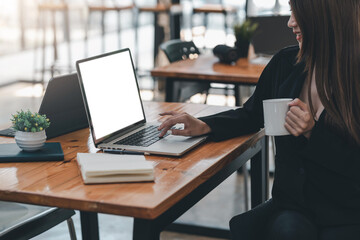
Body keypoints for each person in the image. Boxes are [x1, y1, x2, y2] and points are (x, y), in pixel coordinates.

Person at [157, 0, 360, 239]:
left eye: (298, 14)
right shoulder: (285, 64)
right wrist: (205, 124)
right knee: (287, 231)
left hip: (346, 210)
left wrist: (312, 134)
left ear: (325, 18)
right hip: (294, 207)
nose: (290, 22)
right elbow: (251, 115)